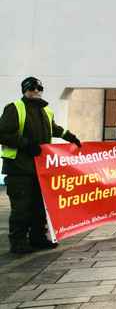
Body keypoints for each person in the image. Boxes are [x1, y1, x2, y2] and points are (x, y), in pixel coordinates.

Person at [0, 77, 81, 254]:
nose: (36, 91)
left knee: (38, 206)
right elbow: (3, 133)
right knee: (22, 207)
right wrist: (26, 144)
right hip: (19, 169)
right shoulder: (15, 108)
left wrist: (71, 137)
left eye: (39, 88)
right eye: (32, 88)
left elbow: (55, 128)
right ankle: (18, 242)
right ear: (25, 90)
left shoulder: (45, 110)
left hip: (40, 169)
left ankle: (37, 238)